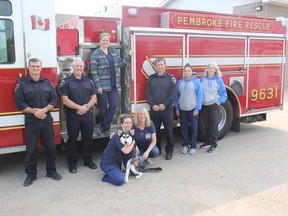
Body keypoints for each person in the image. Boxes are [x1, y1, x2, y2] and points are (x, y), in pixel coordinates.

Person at [14, 58, 62, 186]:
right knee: (31, 149)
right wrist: (35, 112)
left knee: (51, 147)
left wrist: (43, 110)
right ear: (29, 68)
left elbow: (54, 100)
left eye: (37, 66)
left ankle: (51, 171)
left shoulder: (48, 84)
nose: (35, 68)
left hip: (46, 121)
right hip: (31, 121)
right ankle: (31, 174)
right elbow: (19, 103)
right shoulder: (22, 85)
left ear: (41, 68)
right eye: (33, 66)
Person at [58, 57, 97, 173]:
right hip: (73, 115)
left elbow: (94, 98)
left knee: (87, 139)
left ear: (83, 67)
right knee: (72, 140)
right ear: (73, 67)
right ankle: (72, 164)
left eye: (81, 66)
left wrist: (86, 107)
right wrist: (79, 108)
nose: (79, 68)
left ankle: (88, 160)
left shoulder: (89, 81)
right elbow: (64, 100)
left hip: (87, 114)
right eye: (77, 66)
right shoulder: (66, 82)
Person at [90, 31, 132, 136]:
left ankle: (103, 125)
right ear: (100, 41)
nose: (105, 42)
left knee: (113, 105)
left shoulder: (113, 52)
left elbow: (122, 64)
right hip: (102, 86)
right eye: (103, 40)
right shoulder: (95, 54)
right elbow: (93, 71)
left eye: (107, 40)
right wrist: (98, 86)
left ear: (109, 41)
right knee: (103, 108)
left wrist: (129, 55)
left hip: (113, 84)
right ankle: (106, 128)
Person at [146, 58, 177, 160]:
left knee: (169, 131)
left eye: (161, 64)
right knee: (156, 132)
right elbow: (148, 94)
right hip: (154, 110)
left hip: (167, 110)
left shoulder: (170, 78)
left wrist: (165, 104)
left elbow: (173, 94)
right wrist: (153, 105)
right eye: (158, 65)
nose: (159, 66)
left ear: (165, 65)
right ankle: (157, 149)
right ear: (155, 66)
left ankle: (169, 151)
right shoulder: (151, 79)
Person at [100, 114, 136, 186]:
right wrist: (133, 142)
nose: (128, 124)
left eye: (130, 122)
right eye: (126, 123)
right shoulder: (117, 136)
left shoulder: (128, 133)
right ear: (121, 124)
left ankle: (118, 170)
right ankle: (106, 175)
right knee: (120, 180)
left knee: (134, 149)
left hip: (118, 162)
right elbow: (126, 151)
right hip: (109, 163)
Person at [175, 63, 203, 155]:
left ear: (192, 72)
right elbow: (176, 96)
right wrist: (177, 108)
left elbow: (200, 96)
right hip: (182, 110)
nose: (187, 72)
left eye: (188, 71)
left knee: (193, 128)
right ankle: (185, 145)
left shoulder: (196, 82)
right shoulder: (180, 82)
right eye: (185, 71)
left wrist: (197, 109)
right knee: (183, 128)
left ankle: (193, 146)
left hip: (193, 110)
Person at [199, 62, 227, 153]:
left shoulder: (218, 80)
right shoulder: (202, 79)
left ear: (215, 70)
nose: (210, 70)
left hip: (214, 106)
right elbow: (198, 91)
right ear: (207, 69)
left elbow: (224, 94)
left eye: (212, 68)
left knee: (214, 126)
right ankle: (207, 141)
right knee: (206, 125)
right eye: (209, 68)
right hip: (204, 105)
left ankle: (214, 144)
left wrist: (218, 102)